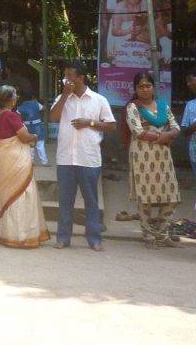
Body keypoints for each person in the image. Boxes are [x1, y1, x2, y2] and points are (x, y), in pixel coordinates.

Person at [49, 59, 116, 251]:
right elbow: (53, 118)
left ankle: (94, 238)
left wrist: (90, 123)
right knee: (65, 201)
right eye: (65, 75)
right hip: (65, 158)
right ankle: (63, 237)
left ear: (80, 77)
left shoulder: (98, 100)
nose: (66, 79)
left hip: (89, 158)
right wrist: (64, 96)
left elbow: (111, 125)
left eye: (70, 75)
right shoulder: (62, 98)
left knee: (91, 201)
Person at [0, 84, 50, 249]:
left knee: (7, 195)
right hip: (16, 160)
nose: (16, 99)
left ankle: (7, 235)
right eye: (14, 96)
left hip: (1, 159)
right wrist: (35, 136)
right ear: (9, 100)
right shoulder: (12, 116)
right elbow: (24, 137)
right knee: (22, 194)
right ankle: (22, 235)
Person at [124, 71, 181, 248]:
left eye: (148, 85)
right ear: (135, 89)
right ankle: (148, 235)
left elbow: (176, 127)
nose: (145, 89)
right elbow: (137, 131)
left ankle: (162, 234)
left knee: (171, 195)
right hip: (142, 155)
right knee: (146, 196)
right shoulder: (132, 107)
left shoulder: (163, 106)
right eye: (141, 86)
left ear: (153, 87)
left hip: (163, 156)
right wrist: (162, 137)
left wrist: (167, 135)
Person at [16, 88, 47, 166]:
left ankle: (31, 161)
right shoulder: (36, 103)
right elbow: (44, 108)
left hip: (27, 126)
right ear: (33, 97)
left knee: (30, 144)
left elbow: (17, 115)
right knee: (40, 144)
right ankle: (44, 162)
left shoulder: (20, 107)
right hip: (38, 126)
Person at [180, 69, 196, 181]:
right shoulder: (190, 106)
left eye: (190, 80)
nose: (188, 84)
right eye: (187, 81)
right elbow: (184, 131)